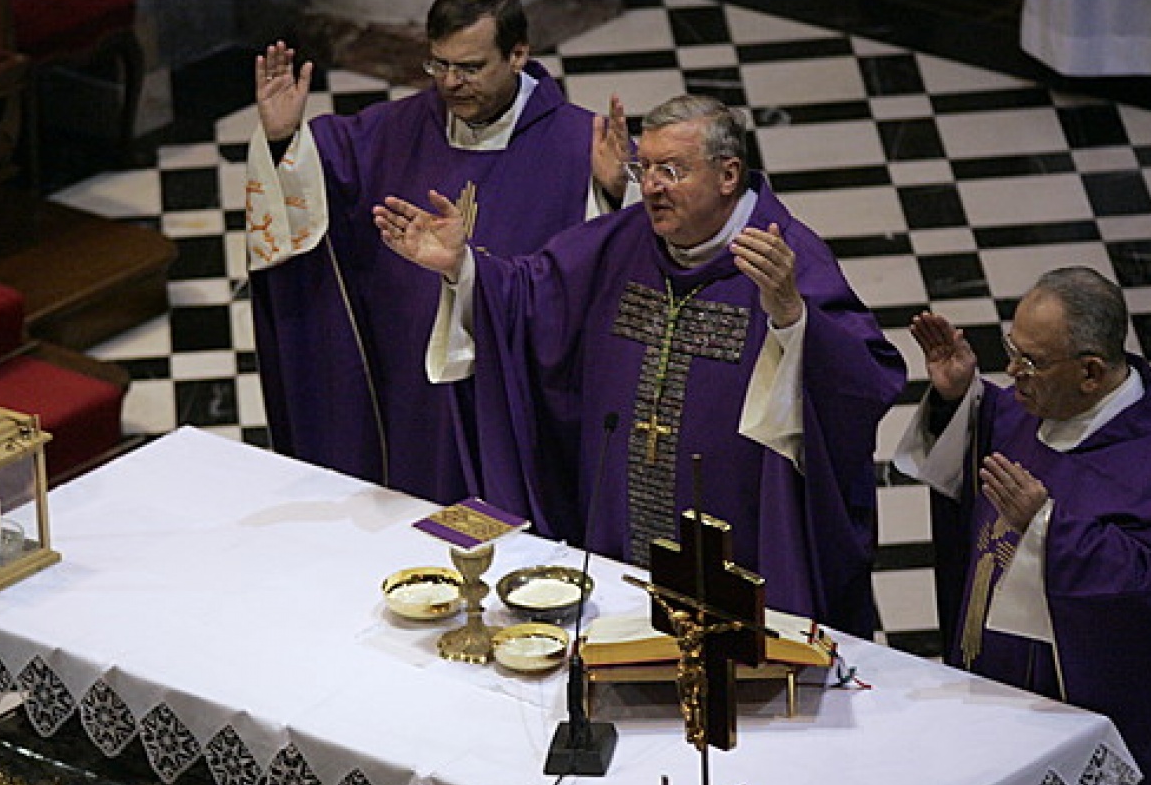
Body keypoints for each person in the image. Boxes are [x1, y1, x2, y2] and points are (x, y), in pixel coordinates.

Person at [374, 95, 905, 639]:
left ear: (728, 174)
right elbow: (532, 298)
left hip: (738, 537)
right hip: (622, 521)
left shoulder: (783, 259)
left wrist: (793, 319)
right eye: (643, 167)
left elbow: (868, 378)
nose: (650, 186)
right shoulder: (621, 242)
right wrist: (463, 269)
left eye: (671, 170)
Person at [244, 0, 631, 504]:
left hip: (511, 396)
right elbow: (315, 190)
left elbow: (590, 277)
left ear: (518, 55)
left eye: (470, 67)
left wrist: (609, 196)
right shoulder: (399, 127)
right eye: (439, 64)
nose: (450, 83)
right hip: (410, 391)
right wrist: (284, 138)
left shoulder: (575, 143)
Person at [893, 267, 1151, 785]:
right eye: (1011, 351)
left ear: (1091, 372)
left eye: (1030, 361)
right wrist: (958, 394)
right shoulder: (1027, 409)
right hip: (993, 700)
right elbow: (982, 432)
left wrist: (1048, 527)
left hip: (1079, 718)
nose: (1012, 373)